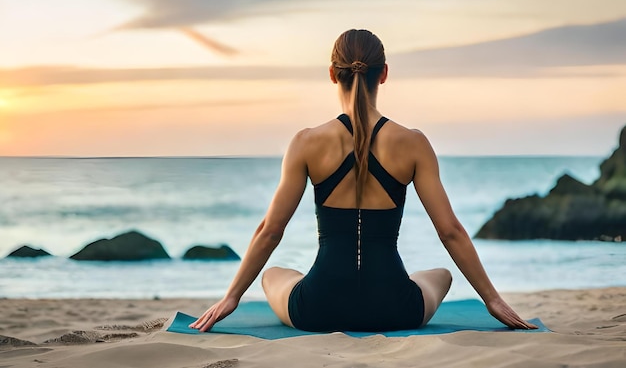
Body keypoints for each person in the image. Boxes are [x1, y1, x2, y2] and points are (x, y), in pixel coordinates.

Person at [190, 29, 537, 332]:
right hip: (396, 309)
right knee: (441, 275)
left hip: (318, 308)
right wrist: (492, 300)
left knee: (273, 275)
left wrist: (231, 297)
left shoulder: (306, 143)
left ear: (331, 73)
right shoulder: (413, 143)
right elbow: (450, 231)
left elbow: (270, 230)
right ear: (383, 74)